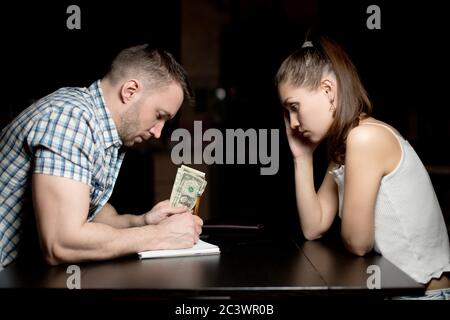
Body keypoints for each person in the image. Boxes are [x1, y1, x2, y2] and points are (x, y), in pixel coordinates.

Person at [275, 33, 450, 299]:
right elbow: (314, 226)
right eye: (288, 113)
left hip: (424, 296)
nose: (294, 123)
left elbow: (358, 243)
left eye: (295, 107)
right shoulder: (348, 142)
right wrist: (302, 157)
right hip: (399, 290)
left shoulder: (364, 138)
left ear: (327, 90)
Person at [0, 44, 203, 270]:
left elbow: (89, 213)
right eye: (159, 116)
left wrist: (142, 221)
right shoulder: (71, 117)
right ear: (130, 91)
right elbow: (61, 243)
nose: (158, 132)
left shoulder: (99, 126)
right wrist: (160, 235)